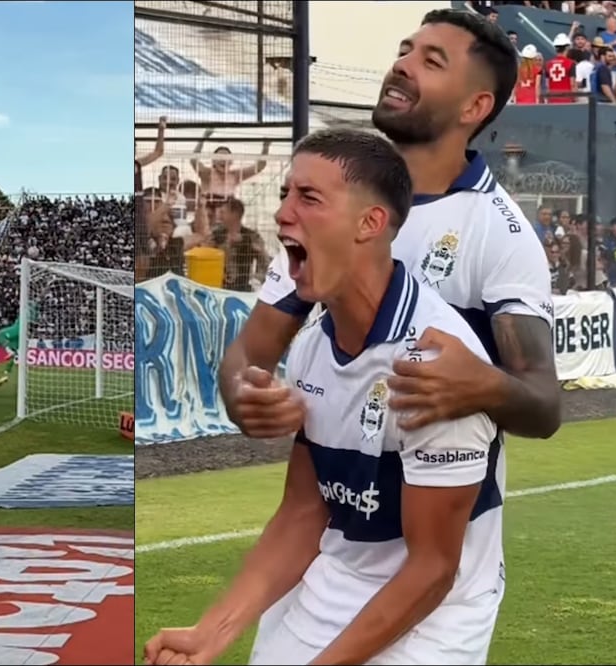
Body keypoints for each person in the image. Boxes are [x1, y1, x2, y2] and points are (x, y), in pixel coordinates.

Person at [217, 9, 560, 660]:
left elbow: (544, 406)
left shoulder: (499, 235)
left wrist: (483, 384)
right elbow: (248, 357)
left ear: (475, 106)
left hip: (441, 566)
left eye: (431, 60)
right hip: (335, 542)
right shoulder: (325, 209)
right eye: (405, 49)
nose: (401, 64)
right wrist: (244, 395)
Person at [145, 129, 504, 666]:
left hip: (439, 613)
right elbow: (303, 512)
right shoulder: (313, 345)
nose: (282, 213)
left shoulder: (435, 365)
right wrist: (211, 632)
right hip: (338, 575)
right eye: (286, 194)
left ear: (370, 223)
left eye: (308, 198)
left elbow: (432, 570)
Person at [0, 301, 38, 387]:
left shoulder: (26, 310)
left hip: (18, 328)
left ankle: (10, 352)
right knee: (13, 354)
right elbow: (34, 324)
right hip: (22, 335)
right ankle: (5, 375)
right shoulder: (34, 314)